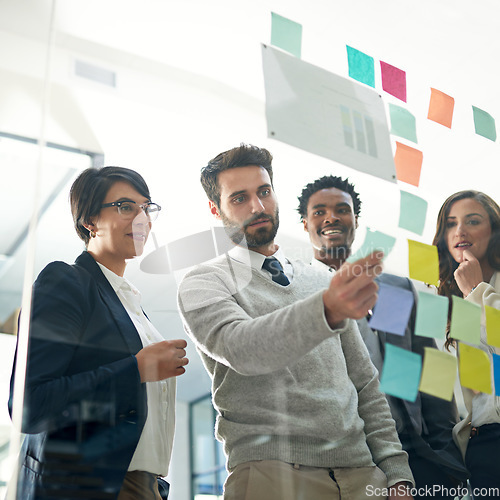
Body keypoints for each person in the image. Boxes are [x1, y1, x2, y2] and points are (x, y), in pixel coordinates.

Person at [178, 144, 415, 500]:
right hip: (269, 473)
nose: (257, 207)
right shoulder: (203, 282)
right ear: (216, 210)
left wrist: (397, 473)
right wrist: (326, 310)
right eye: (239, 198)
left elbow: (365, 384)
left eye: (264, 192)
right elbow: (243, 348)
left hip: (363, 475)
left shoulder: (322, 281)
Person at [9, 166, 189, 500]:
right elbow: (29, 405)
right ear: (89, 221)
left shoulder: (132, 303)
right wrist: (135, 369)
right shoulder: (66, 282)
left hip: (143, 484)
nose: (142, 219)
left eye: (146, 208)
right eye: (125, 207)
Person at [298, 175, 469, 499]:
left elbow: (429, 372)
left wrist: (445, 452)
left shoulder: (392, 289)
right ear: (305, 224)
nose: (331, 217)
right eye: (319, 212)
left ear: (356, 220)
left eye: (341, 209)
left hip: (417, 452)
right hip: (345, 461)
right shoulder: (299, 296)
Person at [433, 190, 500, 498]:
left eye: (472, 221)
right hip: (481, 447)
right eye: (451, 223)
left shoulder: (474, 292)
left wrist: (476, 289)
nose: (459, 231)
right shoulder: (449, 303)